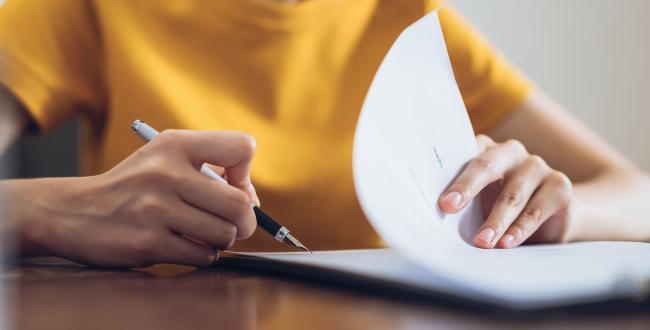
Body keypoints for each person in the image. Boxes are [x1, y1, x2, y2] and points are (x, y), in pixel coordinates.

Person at [0, 0, 648, 268]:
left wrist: (563, 210)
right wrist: (53, 210)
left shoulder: (406, 16)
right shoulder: (86, 7)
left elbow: (637, 194)